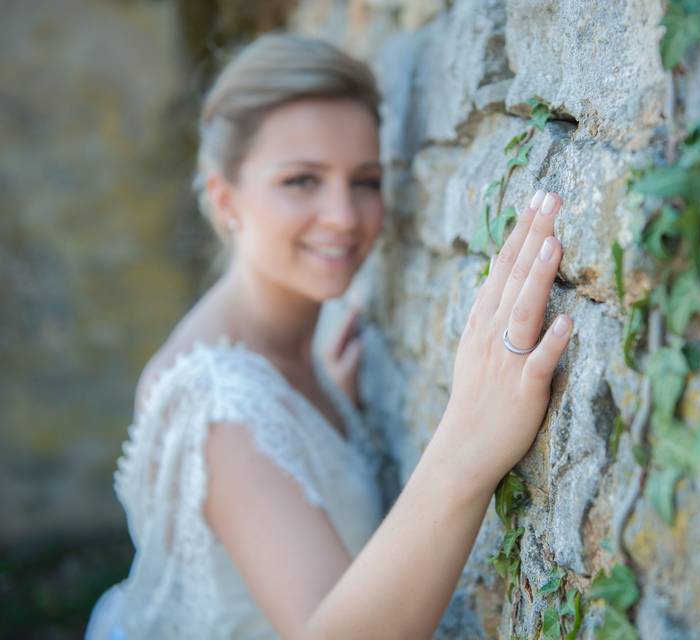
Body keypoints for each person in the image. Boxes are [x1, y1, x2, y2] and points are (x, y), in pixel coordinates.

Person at [85, 32, 572, 640]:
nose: (344, 215)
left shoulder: (296, 358)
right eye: (301, 181)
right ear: (225, 200)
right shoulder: (218, 407)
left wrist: (326, 420)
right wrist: (468, 441)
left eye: (364, 180)